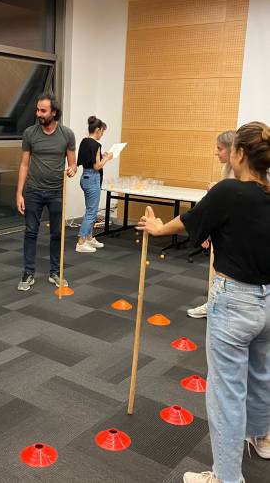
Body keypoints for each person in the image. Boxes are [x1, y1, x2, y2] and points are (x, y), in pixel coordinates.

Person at [137, 121, 270, 483]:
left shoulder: (230, 190)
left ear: (239, 154)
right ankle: (262, 439)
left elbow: (191, 220)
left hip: (235, 302)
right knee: (261, 375)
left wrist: (158, 229)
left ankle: (226, 478)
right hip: (267, 302)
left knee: (227, 394)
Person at [16, 93, 77, 291]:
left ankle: (55, 272)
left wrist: (72, 170)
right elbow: (24, 164)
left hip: (57, 192)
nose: (38, 114)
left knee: (57, 233)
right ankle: (28, 273)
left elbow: (73, 163)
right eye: (37, 110)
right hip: (33, 191)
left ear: (54, 112)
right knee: (30, 232)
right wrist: (19, 193)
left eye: (43, 111)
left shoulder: (67, 135)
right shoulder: (30, 133)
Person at [187, 130, 236, 318]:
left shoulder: (242, 171)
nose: (216, 152)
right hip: (225, 229)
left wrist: (219, 189)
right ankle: (214, 304)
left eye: (220, 148)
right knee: (220, 272)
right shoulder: (228, 170)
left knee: (227, 274)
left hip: (235, 231)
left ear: (232, 149)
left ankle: (217, 307)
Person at [75, 116, 113, 253]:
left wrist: (102, 157)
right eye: (102, 132)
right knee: (91, 211)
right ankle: (81, 242)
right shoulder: (96, 145)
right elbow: (97, 166)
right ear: (97, 130)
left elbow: (89, 161)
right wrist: (107, 158)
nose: (102, 135)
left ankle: (89, 237)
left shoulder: (84, 142)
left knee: (90, 210)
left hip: (85, 177)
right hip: (92, 178)